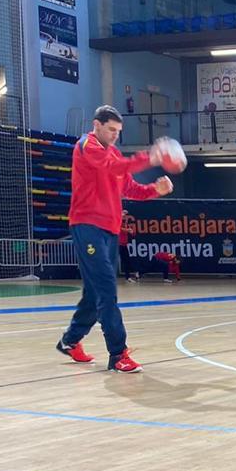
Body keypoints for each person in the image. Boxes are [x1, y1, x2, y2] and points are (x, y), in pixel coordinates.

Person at [55, 106, 174, 373]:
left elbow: (130, 188)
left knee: (95, 292)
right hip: (87, 226)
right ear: (97, 125)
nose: (115, 136)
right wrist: (151, 157)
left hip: (109, 230)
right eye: (111, 130)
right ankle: (118, 354)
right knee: (107, 289)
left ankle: (70, 340)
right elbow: (113, 166)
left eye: (119, 132)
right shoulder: (87, 146)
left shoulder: (114, 153)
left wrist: (155, 189)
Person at [118, 214, 139, 282]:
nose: (125, 220)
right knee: (111, 260)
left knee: (127, 261)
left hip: (124, 245)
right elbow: (120, 229)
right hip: (118, 245)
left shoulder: (126, 226)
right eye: (124, 218)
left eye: (126, 218)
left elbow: (132, 233)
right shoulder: (119, 224)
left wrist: (132, 232)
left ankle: (128, 278)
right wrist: (128, 230)